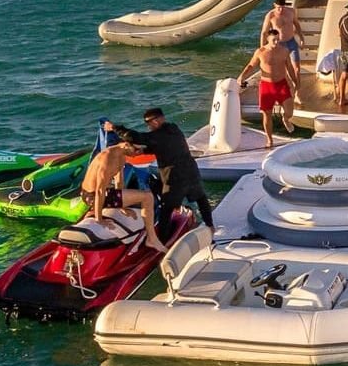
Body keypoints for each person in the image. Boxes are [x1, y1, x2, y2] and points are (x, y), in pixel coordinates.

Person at [107, 108, 215, 236]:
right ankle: (210, 226)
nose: (148, 126)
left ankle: (163, 240)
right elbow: (163, 145)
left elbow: (135, 137)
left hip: (175, 179)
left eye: (149, 123)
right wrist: (144, 151)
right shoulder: (173, 129)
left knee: (166, 209)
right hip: (191, 173)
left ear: (157, 120)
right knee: (201, 199)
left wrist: (114, 127)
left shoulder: (157, 135)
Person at [81, 142, 167, 252]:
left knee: (141, 194)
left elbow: (119, 182)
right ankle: (151, 239)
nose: (137, 154)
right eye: (136, 150)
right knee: (147, 197)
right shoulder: (108, 158)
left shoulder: (120, 156)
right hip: (91, 196)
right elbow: (99, 191)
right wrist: (99, 219)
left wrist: (122, 206)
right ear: (126, 145)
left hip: (101, 193)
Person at [239, 29, 299, 139]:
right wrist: (241, 77)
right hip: (267, 86)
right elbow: (251, 66)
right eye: (273, 40)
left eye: (277, 40)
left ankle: (285, 119)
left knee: (289, 111)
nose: (276, 43)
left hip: (281, 84)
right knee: (267, 114)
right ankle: (269, 139)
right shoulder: (260, 52)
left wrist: (295, 82)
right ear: (267, 39)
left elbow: (289, 68)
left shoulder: (284, 51)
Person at [260, 0, 304, 70]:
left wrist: (302, 38)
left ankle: (298, 82)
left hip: (291, 42)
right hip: (279, 44)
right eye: (278, 8)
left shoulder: (291, 11)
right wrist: (262, 48)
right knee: (283, 69)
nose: (281, 10)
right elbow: (264, 33)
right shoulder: (270, 15)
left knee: (296, 68)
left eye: (283, 7)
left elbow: (297, 24)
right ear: (274, 5)